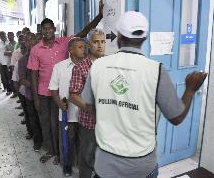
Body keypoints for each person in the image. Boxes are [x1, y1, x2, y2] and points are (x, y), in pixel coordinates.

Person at [83, 11, 208, 178]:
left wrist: (111, 118)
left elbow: (89, 106)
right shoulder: (156, 70)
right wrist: (190, 90)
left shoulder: (98, 66)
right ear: (144, 38)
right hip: (141, 166)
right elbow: (176, 117)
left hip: (106, 163)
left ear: (119, 36)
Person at [27, 0, 104, 165]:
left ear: (54, 30)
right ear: (41, 31)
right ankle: (50, 150)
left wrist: (100, 16)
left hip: (60, 93)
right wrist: (36, 98)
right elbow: (33, 74)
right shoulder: (35, 50)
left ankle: (60, 154)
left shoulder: (64, 42)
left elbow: (84, 31)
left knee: (58, 125)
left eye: (50, 28)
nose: (47, 31)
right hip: (43, 93)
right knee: (46, 124)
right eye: (44, 29)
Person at [69, 29, 106, 178]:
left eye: (102, 42)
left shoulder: (109, 64)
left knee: (104, 157)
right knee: (86, 157)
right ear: (89, 45)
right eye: (96, 42)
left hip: (108, 122)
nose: (100, 45)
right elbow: (73, 95)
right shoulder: (81, 67)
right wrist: (91, 110)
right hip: (89, 122)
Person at [49, 37, 86, 176]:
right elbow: (53, 89)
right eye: (80, 47)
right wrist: (59, 103)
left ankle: (84, 168)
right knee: (67, 142)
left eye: (84, 46)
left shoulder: (90, 66)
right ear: (71, 49)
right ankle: (67, 167)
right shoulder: (59, 67)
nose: (84, 49)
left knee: (84, 144)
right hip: (66, 113)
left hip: (85, 115)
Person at [19, 33, 43, 152]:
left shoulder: (44, 54)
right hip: (31, 96)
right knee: (34, 119)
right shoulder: (23, 60)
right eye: (28, 40)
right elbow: (22, 79)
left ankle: (49, 143)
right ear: (26, 43)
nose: (31, 42)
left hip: (46, 95)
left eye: (33, 39)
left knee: (46, 120)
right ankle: (37, 141)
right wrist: (36, 86)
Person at [5, 32, 17, 98]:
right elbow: (5, 53)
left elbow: (17, 53)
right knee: (11, 79)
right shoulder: (7, 45)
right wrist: (12, 52)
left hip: (16, 64)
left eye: (11, 35)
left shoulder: (17, 44)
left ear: (13, 36)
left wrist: (10, 52)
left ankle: (18, 93)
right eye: (8, 35)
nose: (9, 37)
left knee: (17, 79)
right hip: (9, 64)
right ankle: (14, 92)